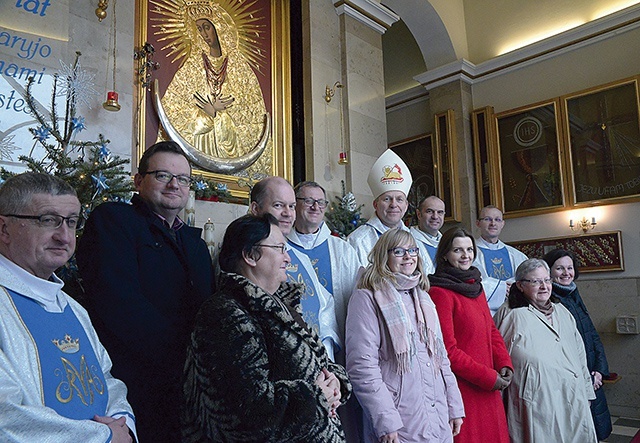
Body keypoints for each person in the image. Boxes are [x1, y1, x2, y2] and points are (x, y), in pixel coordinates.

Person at [77, 141, 214, 442]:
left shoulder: (196, 244)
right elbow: (119, 303)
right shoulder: (114, 220)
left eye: (183, 179)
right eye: (163, 175)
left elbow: (209, 310)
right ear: (139, 180)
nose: (174, 185)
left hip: (191, 391)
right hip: (135, 383)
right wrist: (184, 357)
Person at [182, 213, 351, 441]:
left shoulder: (282, 303)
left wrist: (336, 383)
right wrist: (316, 397)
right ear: (251, 255)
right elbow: (247, 411)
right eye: (280, 248)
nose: (288, 258)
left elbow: (318, 362)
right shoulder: (225, 313)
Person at [0, 173, 135, 442]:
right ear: (4, 229)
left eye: (72, 222)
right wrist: (103, 437)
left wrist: (124, 424)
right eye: (48, 220)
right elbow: (6, 416)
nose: (64, 236)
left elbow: (107, 380)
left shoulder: (72, 308)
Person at [346, 228, 464, 443]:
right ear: (384, 255)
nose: (408, 256)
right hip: (398, 417)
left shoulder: (423, 297)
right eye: (399, 251)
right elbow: (362, 367)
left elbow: (440, 358)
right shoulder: (367, 298)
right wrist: (386, 421)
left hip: (436, 414)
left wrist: (454, 406)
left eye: (412, 250)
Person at [495, 258, 597, 443]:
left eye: (547, 280)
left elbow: (580, 355)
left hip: (572, 396)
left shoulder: (562, 311)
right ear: (520, 285)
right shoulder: (511, 313)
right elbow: (497, 358)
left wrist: (587, 392)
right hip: (536, 402)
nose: (544, 286)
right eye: (535, 281)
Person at [428, 227, 512, 443]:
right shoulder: (440, 292)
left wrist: (504, 363)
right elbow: (448, 351)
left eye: (469, 249)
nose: (466, 256)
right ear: (445, 254)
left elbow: (491, 330)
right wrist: (488, 377)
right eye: (458, 250)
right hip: (464, 388)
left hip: (489, 385)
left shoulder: (475, 286)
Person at [160, 5, 269, 166]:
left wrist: (221, 114)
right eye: (199, 29)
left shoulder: (238, 66)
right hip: (201, 140)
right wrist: (208, 112)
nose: (204, 34)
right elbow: (176, 106)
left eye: (207, 27)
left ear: (218, 28)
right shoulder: (193, 65)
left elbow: (249, 109)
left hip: (228, 142)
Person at [250, 176, 340, 360]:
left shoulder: (300, 257)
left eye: (291, 206)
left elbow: (325, 312)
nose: (288, 213)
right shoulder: (244, 254)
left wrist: (327, 365)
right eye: (278, 205)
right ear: (255, 209)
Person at [543, 249, 612, 440]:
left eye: (569, 268)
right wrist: (584, 375)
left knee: (596, 432)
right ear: (548, 271)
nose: (566, 273)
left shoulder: (573, 293)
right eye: (559, 268)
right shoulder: (549, 300)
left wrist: (599, 370)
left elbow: (592, 334)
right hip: (574, 378)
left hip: (592, 374)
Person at [287, 180, 361, 348]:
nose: (315, 207)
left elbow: (357, 295)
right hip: (294, 340)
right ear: (295, 204)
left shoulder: (342, 249)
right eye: (308, 201)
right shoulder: (281, 246)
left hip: (337, 337)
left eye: (321, 202)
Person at [348, 149, 413, 266]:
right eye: (387, 199)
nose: (394, 205)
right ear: (375, 205)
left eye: (399, 199)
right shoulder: (358, 240)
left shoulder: (413, 237)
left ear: (406, 206)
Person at [473, 205, 527, 316]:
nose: (493, 223)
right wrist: (501, 288)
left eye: (497, 220)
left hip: (514, 311)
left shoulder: (516, 255)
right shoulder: (470, 253)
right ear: (478, 223)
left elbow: (528, 279)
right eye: (487, 219)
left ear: (502, 224)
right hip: (485, 312)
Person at [409, 195, 445, 274]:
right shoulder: (408, 240)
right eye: (429, 211)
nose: (435, 216)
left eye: (440, 212)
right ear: (419, 214)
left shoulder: (447, 242)